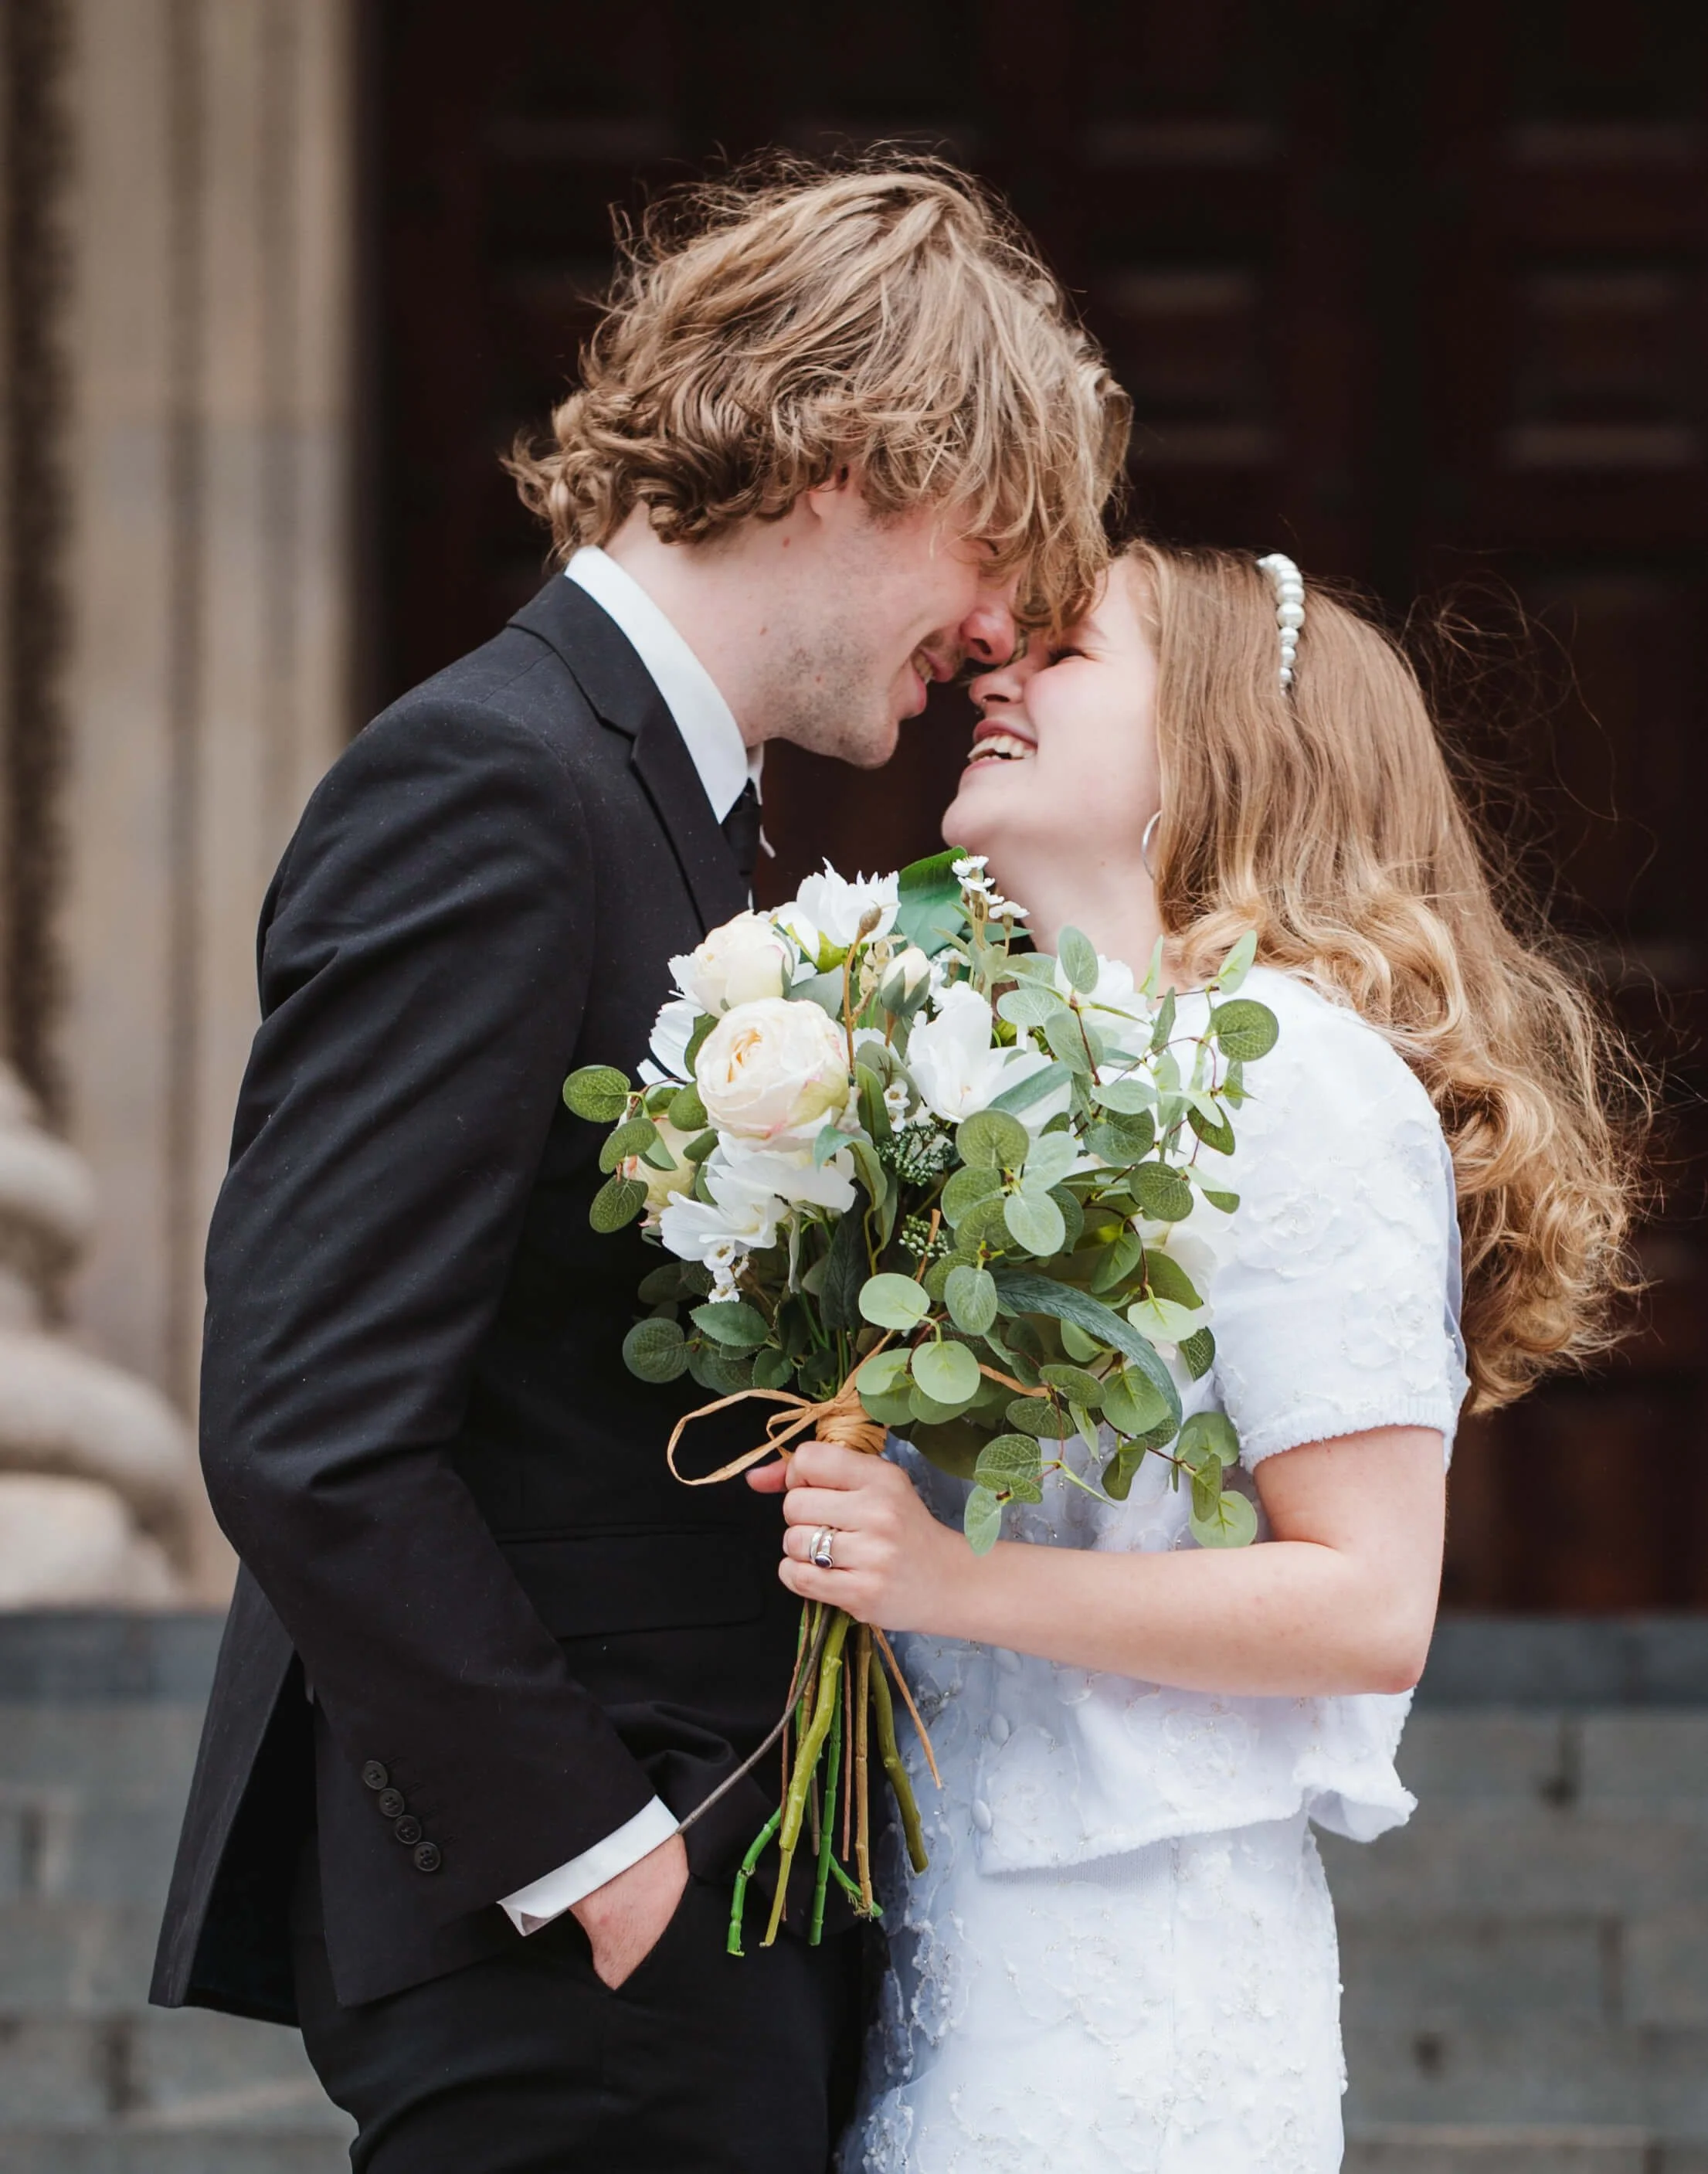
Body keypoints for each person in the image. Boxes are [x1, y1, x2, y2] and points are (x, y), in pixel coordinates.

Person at [148, 159, 1129, 2174]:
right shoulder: (491, 787)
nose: (1003, 625)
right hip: (583, 1931)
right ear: (862, 451)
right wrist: (595, 1854)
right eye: (996, 537)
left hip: (703, 1898)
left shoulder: (669, 804)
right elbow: (309, 1419)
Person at [759, 542, 1645, 2172]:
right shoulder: (984, 1073)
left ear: (1218, 745)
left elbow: (1368, 1603)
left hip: (1134, 1998)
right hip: (942, 1941)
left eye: (1066, 655)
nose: (991, 675)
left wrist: (946, 1579)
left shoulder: (1296, 1079)